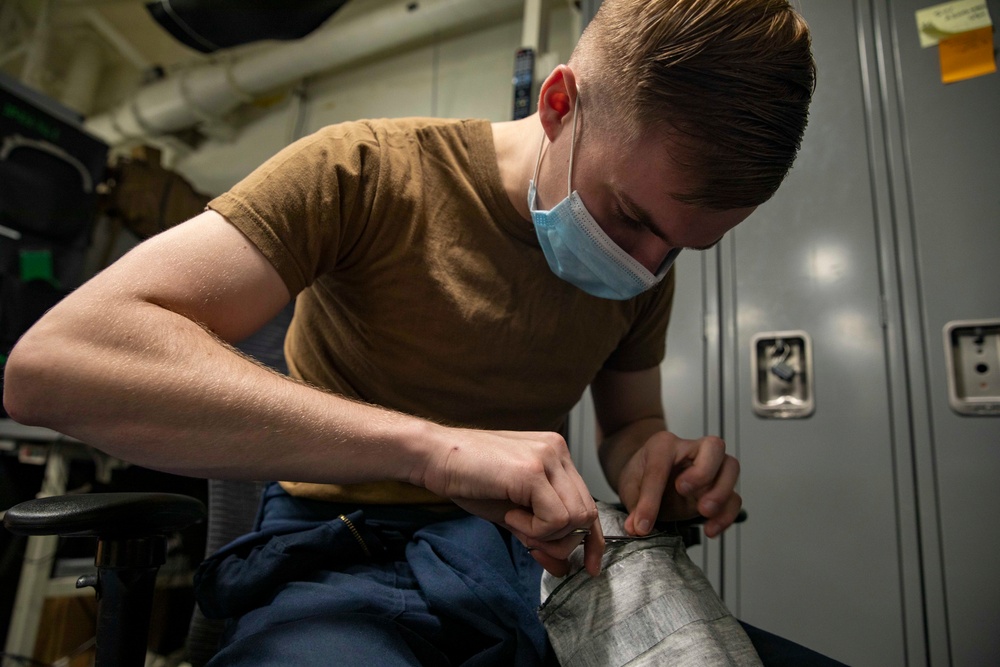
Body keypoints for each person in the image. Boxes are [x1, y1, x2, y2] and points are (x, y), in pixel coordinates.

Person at [4, 0, 820, 663]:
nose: (645, 262)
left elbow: (630, 423)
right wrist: (432, 448)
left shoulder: (646, 264)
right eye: (631, 217)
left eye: (680, 246)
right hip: (340, 551)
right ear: (559, 104)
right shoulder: (362, 171)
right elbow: (55, 363)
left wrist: (655, 465)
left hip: (532, 566)